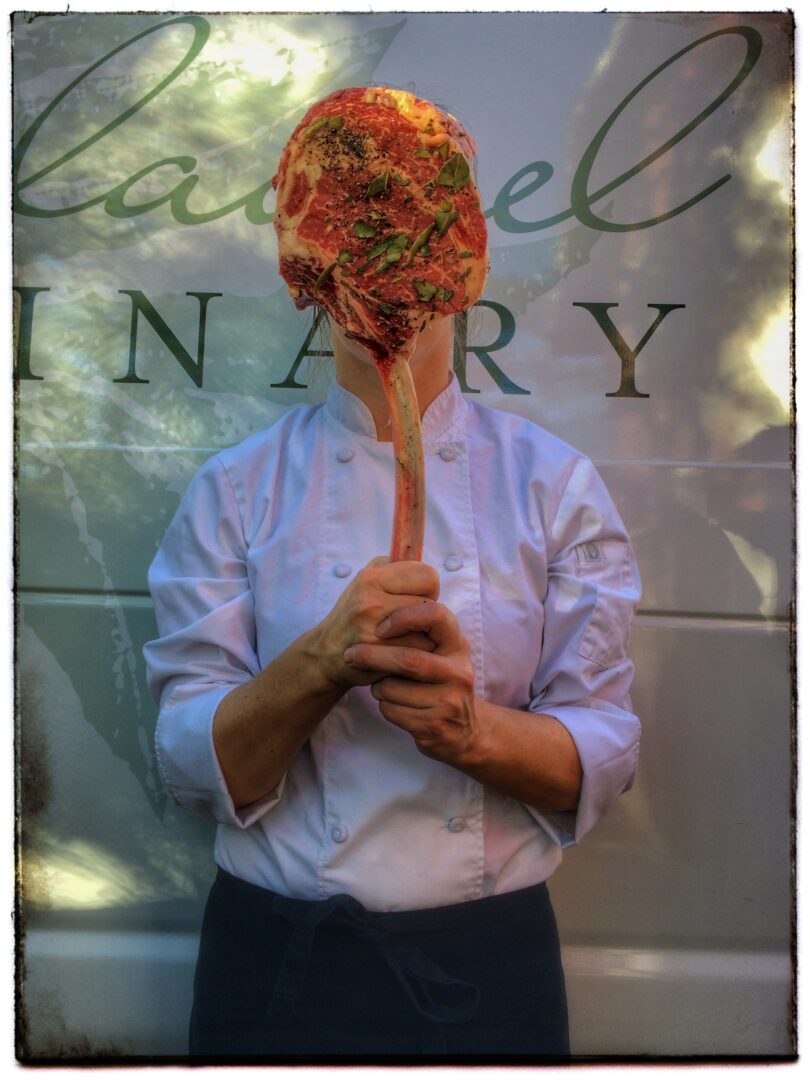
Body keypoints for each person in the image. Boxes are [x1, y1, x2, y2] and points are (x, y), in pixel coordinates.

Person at [144, 90, 641, 1062]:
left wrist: (470, 732)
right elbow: (187, 763)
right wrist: (322, 662)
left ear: (469, 267)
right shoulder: (232, 492)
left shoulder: (555, 488)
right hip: (274, 967)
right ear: (307, 277)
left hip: (488, 969)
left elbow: (605, 748)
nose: (385, 278)